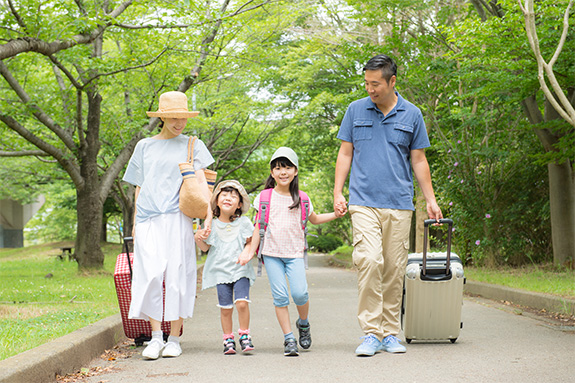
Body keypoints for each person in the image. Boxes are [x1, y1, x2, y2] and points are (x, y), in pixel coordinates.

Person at [333, 54, 443, 356]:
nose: (370, 89)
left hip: (399, 203)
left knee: (394, 270)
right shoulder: (355, 111)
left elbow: (419, 160)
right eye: (367, 83)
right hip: (363, 201)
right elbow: (345, 153)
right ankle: (371, 332)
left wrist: (430, 200)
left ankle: (389, 332)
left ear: (392, 81)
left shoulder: (412, 114)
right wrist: (338, 192)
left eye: (376, 84)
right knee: (369, 260)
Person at [123, 91, 214, 359]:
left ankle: (174, 338)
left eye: (183, 118)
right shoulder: (144, 146)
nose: (179, 123)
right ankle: (155, 338)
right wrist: (135, 223)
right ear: (162, 117)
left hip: (178, 217)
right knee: (150, 274)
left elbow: (201, 189)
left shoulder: (193, 145)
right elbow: (139, 187)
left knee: (177, 274)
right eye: (173, 118)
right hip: (148, 217)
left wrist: (206, 220)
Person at [239, 147, 340, 356]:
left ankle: (303, 324)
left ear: (295, 171)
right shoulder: (265, 197)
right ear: (272, 173)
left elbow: (314, 219)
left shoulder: (302, 198)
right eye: (277, 168)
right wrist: (250, 250)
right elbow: (258, 225)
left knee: (300, 293)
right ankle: (289, 338)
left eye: (287, 167)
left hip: (294, 254)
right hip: (271, 254)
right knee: (280, 297)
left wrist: (336, 215)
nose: (282, 172)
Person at [194, 180, 256, 355]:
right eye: (225, 195)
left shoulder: (243, 223)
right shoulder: (211, 224)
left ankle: (244, 335)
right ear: (217, 201)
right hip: (220, 272)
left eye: (233, 196)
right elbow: (206, 248)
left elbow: (250, 242)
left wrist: (245, 253)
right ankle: (228, 339)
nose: (228, 198)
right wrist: (198, 237)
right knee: (226, 308)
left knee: (242, 303)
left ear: (240, 204)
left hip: (240, 269)